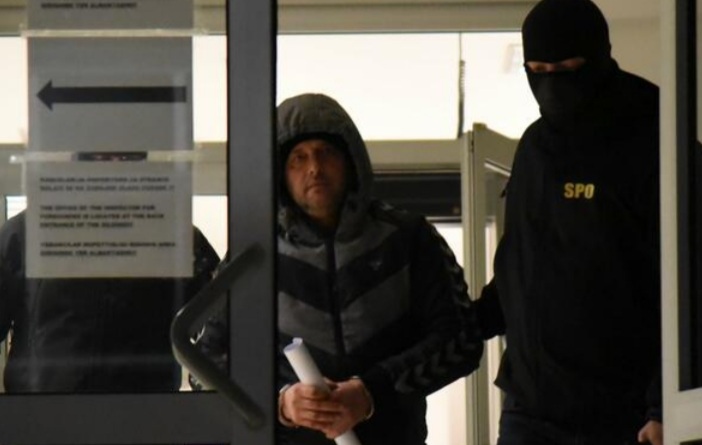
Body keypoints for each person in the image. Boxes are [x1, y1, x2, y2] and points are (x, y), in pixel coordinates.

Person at [194, 93, 483, 445]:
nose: (314, 168)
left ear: (351, 161)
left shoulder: (409, 238)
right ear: (280, 173)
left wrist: (370, 391)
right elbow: (204, 363)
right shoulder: (252, 256)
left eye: (326, 153)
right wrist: (281, 402)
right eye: (298, 158)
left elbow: (461, 339)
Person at [475, 1, 663, 445]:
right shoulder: (535, 148)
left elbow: (688, 284)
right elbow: (520, 268)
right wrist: (462, 325)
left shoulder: (656, 135)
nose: (551, 84)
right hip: (530, 408)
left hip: (623, 412)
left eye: (566, 69)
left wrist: (662, 406)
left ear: (598, 58)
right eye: (537, 71)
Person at [0, 209, 220, 392]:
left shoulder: (23, 232)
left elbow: (219, 323)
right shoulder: (175, 234)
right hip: (145, 407)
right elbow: (219, 322)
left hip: (46, 407)